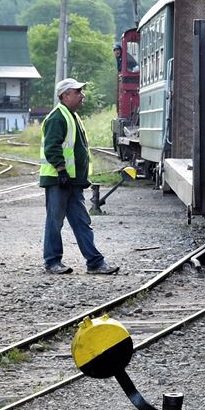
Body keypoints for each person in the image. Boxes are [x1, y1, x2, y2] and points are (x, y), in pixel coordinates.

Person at [39, 78, 118, 275]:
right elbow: (52, 147)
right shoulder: (58, 118)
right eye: (77, 92)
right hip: (59, 180)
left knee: (82, 221)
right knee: (55, 222)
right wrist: (61, 171)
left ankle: (95, 263)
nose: (82, 95)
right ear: (65, 95)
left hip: (71, 180)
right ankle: (52, 262)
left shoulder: (71, 116)